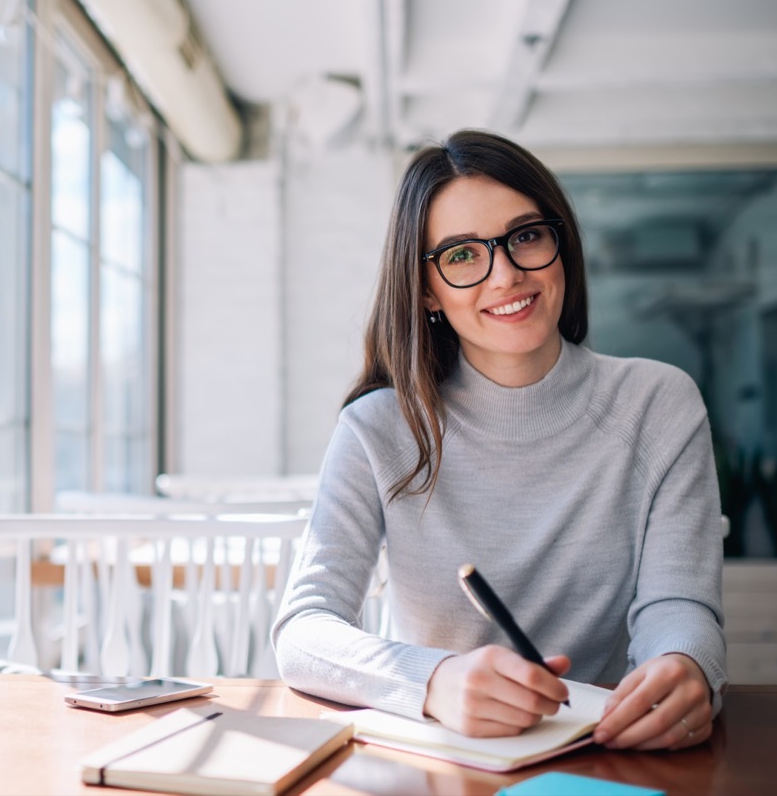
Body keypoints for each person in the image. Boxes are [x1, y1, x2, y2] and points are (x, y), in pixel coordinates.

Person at [271, 129, 726, 752]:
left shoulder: (658, 403)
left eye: (526, 236)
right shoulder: (376, 427)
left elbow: (678, 603)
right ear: (427, 289)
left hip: (608, 751)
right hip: (440, 757)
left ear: (559, 243)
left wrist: (689, 664)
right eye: (461, 255)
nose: (506, 275)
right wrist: (432, 681)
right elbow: (303, 631)